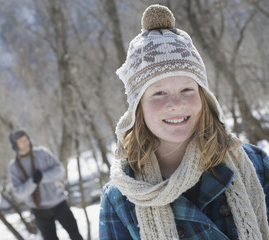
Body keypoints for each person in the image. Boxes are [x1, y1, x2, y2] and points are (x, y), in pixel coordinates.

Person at [99, 4, 269, 240]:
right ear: (138, 108)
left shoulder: (254, 164)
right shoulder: (119, 198)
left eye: (187, 89)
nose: (176, 104)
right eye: (159, 93)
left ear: (204, 97)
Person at [8, 129, 83, 240]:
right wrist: (33, 181)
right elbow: (19, 193)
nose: (26, 142)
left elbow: (60, 171)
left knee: (75, 235)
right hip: (39, 210)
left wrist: (42, 176)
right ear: (15, 146)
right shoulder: (14, 167)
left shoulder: (42, 153)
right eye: (21, 141)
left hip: (59, 203)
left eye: (26, 139)